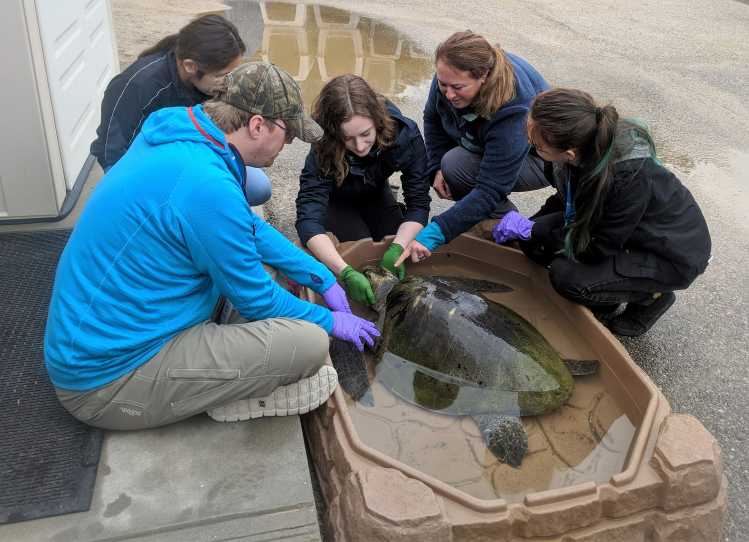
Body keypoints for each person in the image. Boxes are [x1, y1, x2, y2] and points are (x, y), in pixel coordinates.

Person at [44, 61, 379, 431]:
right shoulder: (205, 184)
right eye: (288, 134)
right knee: (311, 344)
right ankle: (230, 396)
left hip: (121, 328)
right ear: (257, 125)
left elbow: (247, 225)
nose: (288, 145)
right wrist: (333, 321)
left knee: (269, 272)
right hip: (108, 380)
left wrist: (321, 277)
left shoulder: (184, 132)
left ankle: (226, 366)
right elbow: (258, 300)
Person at [492, 87, 711, 336]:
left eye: (537, 145)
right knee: (534, 246)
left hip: (668, 253)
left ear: (569, 153)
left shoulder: (627, 176)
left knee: (567, 277)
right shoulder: (578, 152)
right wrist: (530, 226)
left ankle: (650, 297)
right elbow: (567, 200)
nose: (532, 149)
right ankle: (609, 288)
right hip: (624, 232)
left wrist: (535, 229)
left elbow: (598, 247)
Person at [395, 30, 550, 267]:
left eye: (457, 87)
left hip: (540, 159)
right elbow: (432, 118)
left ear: (484, 76)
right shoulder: (449, 75)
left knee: (458, 167)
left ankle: (501, 222)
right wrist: (435, 166)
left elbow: (491, 188)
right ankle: (480, 216)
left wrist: (435, 233)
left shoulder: (515, 104)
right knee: (448, 166)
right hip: (483, 141)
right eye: (442, 84)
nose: (448, 94)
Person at [90, 14, 271, 205]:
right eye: (222, 75)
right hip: (142, 162)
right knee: (175, 203)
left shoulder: (210, 82)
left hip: (188, 153)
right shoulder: (138, 86)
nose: (229, 83)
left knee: (258, 188)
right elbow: (113, 151)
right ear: (190, 66)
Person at [295, 74, 431, 305]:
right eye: (348, 138)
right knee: (360, 253)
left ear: (378, 121)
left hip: (375, 193)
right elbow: (308, 219)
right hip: (336, 201)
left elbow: (418, 205)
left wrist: (398, 246)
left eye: (366, 134)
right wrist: (345, 272)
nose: (359, 146)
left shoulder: (404, 133)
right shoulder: (324, 143)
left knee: (392, 247)